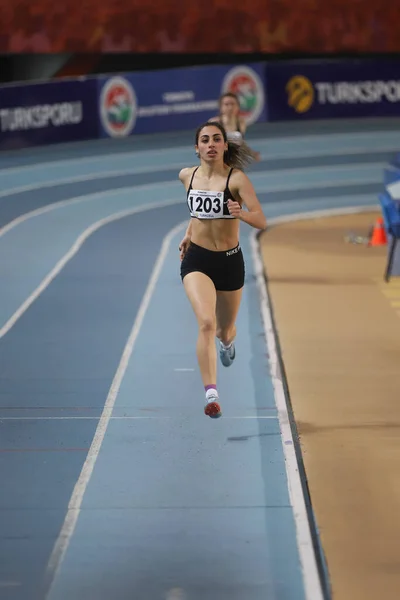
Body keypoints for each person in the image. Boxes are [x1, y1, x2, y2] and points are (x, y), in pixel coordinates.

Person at [178, 121, 267, 419]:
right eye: (205, 140)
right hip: (197, 260)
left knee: (223, 329)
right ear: (197, 147)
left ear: (225, 146)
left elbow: (261, 220)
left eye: (217, 139)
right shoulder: (186, 176)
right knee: (205, 321)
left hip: (229, 261)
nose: (211, 144)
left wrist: (242, 214)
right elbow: (198, 212)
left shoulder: (236, 179)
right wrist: (190, 233)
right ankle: (212, 394)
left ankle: (226, 343)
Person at [211, 92, 261, 161]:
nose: (230, 107)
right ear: (221, 107)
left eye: (233, 104)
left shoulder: (241, 122)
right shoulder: (214, 123)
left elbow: (240, 142)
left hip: (234, 160)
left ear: (238, 106)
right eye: (226, 104)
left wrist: (251, 153)